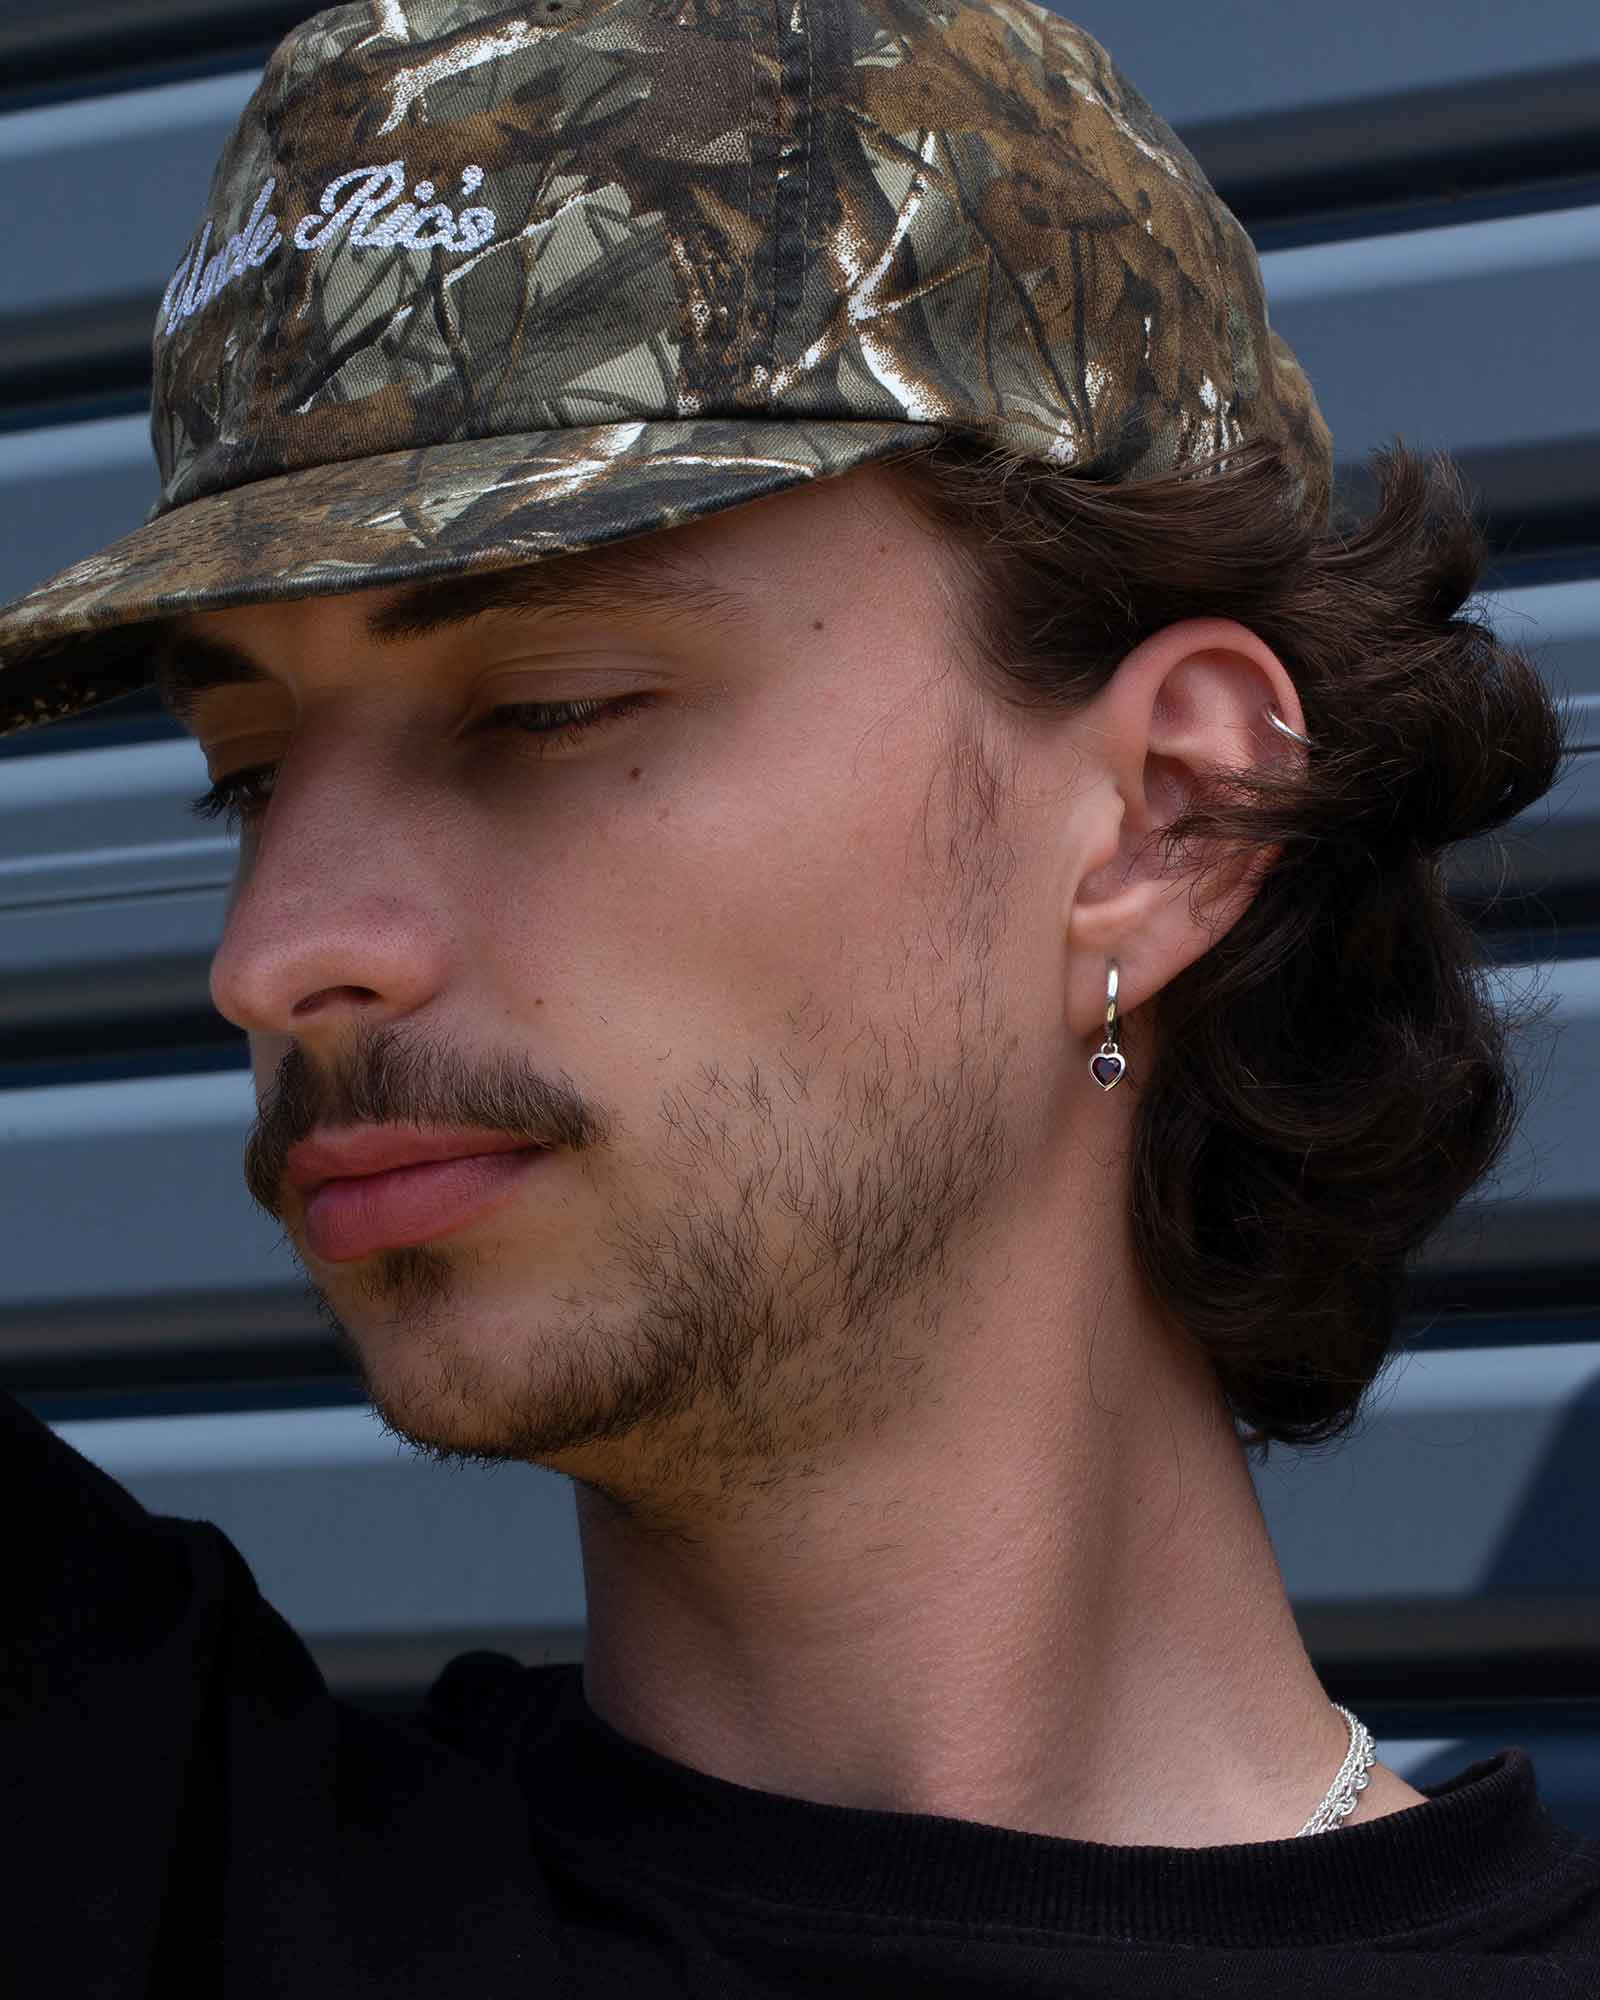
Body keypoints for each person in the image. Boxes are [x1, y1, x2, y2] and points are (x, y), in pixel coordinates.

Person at [0, 0, 1594, 1991]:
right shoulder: (134, 1861)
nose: (270, 955)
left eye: (546, 707)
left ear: (1162, 815)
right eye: (249, 778)